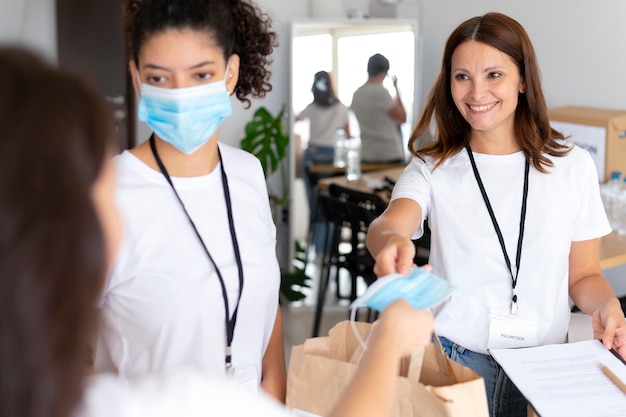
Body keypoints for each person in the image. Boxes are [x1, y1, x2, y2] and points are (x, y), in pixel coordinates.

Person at [0, 46, 436, 417]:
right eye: (104, 177)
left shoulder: (73, 398)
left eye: (199, 73)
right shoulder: (143, 402)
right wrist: (389, 341)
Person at [366, 12, 626, 417]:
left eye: (493, 74)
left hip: (545, 369)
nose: (476, 91)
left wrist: (606, 304)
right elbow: (390, 222)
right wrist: (392, 241)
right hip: (456, 365)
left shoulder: (572, 166)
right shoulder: (433, 167)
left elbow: (583, 276)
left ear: (523, 79)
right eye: (462, 77)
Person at [92, 0, 286, 401]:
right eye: (159, 78)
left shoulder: (247, 172)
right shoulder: (108, 194)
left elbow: (264, 301)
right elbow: (49, 341)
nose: (181, 95)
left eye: (201, 74)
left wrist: (273, 394)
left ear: (230, 73)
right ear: (136, 78)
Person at [296, 71, 351, 217]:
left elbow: (296, 120)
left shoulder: (311, 108)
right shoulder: (341, 108)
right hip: (333, 158)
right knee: (330, 206)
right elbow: (348, 135)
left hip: (313, 155)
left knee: (314, 204)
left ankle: (314, 238)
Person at [350, 53, 406, 163]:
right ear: (385, 72)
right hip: (388, 153)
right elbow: (402, 118)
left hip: (366, 154)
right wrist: (396, 89)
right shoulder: (381, 92)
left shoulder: (356, 94)